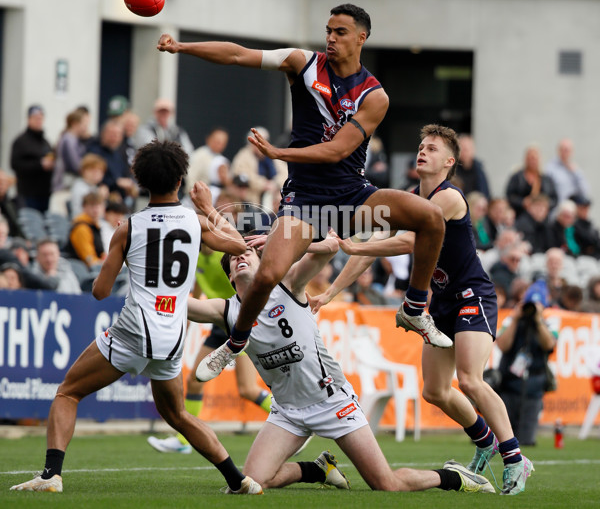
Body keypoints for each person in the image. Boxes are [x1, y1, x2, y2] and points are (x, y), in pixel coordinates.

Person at [157, 3, 448, 379]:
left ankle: (414, 306)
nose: (330, 37)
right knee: (266, 276)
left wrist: (280, 152)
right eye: (328, 30)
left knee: (431, 218)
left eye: (340, 32)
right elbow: (236, 54)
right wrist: (183, 47)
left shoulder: (374, 95)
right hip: (306, 201)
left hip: (351, 197)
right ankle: (236, 342)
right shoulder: (302, 63)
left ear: (361, 38)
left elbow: (338, 150)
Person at [10, 140, 262, 495]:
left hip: (134, 330)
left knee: (67, 392)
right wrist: (210, 209)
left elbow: (99, 291)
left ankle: (51, 475)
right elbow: (241, 245)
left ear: (141, 180)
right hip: (173, 336)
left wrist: (125, 253)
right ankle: (239, 481)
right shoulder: (194, 221)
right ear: (179, 179)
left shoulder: (128, 228)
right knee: (177, 416)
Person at [310, 125, 534, 495]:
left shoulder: (449, 198)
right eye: (420, 146)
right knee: (435, 390)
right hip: (442, 302)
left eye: (431, 148)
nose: (422, 152)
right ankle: (485, 440)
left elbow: (405, 240)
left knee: (470, 379)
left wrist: (356, 246)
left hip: (472, 295)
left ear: (449, 162)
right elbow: (376, 240)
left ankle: (514, 459)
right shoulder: (413, 199)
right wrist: (331, 292)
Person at [185, 232, 494, 494]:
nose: (241, 258)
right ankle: (318, 470)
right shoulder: (225, 310)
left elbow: (330, 245)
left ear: (264, 260)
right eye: (235, 259)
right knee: (251, 482)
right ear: (229, 276)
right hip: (287, 412)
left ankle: (456, 477)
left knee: (386, 484)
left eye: (249, 253)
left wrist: (279, 241)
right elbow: (181, 305)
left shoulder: (289, 283)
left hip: (332, 402)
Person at [147, 235, 271, 455]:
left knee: (247, 389)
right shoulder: (193, 258)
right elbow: (193, 295)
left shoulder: (225, 258)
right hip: (217, 320)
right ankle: (184, 440)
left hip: (238, 321)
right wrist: (182, 332)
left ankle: (294, 421)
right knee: (194, 380)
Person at [496, 280, 559, 445]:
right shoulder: (512, 319)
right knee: (504, 439)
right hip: (509, 385)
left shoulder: (550, 321)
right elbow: (502, 345)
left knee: (526, 441)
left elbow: (549, 344)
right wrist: (516, 319)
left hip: (534, 388)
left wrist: (538, 320)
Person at [10, 105, 55, 212]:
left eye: (40, 118)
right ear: (29, 119)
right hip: (28, 194)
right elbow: (15, 164)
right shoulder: (21, 141)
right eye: (36, 118)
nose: (38, 121)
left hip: (45, 193)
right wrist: (39, 164)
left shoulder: (45, 142)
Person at [230, 127, 286, 207]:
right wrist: (264, 184)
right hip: (252, 200)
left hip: (274, 197)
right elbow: (242, 175)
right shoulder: (243, 155)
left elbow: (285, 173)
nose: (259, 145)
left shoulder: (274, 151)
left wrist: (275, 184)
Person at [505, 145, 557, 218]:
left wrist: (544, 204)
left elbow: (554, 199)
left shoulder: (546, 179)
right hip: (521, 215)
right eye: (530, 158)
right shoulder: (517, 177)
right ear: (525, 159)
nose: (533, 161)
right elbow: (509, 196)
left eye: (535, 158)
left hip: (542, 217)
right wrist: (522, 202)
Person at [187, 127, 231, 202]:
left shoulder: (222, 160)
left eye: (223, 143)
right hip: (198, 198)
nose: (219, 145)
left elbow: (228, 183)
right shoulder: (199, 156)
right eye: (217, 141)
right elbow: (190, 181)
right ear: (208, 139)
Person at [64, 192, 107, 269]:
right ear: (84, 207)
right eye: (92, 206)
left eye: (98, 205)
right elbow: (89, 260)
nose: (96, 210)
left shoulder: (95, 225)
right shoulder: (81, 228)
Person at [545, 138, 591, 206]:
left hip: (572, 209)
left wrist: (576, 173)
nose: (564, 153)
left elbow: (585, 191)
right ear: (558, 150)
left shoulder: (575, 170)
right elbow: (547, 190)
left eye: (567, 150)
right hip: (557, 208)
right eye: (562, 150)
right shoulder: (551, 168)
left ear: (572, 152)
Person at [70, 153, 110, 218]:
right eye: (92, 170)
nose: (96, 173)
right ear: (83, 171)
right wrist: (100, 196)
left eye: (100, 171)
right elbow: (81, 212)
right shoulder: (79, 187)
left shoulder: (94, 187)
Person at [454, 134, 490, 198]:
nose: (463, 152)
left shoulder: (479, 169)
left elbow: (485, 193)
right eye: (461, 149)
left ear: (473, 149)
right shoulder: (453, 169)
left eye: (466, 149)